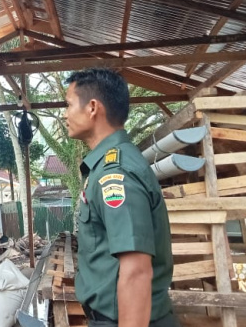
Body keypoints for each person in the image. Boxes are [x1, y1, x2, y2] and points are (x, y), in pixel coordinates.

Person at [63, 68, 179, 327]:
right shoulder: (106, 166)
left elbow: (136, 271)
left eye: (68, 105)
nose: (64, 114)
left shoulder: (116, 173)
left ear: (92, 107)